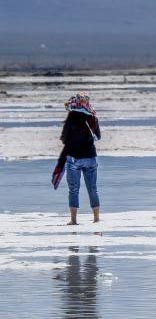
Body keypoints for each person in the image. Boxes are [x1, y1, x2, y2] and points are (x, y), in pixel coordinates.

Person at [57, 93, 102, 225]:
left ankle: (73, 220)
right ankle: (96, 218)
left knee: (73, 189)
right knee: (93, 188)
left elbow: (64, 138)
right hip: (91, 158)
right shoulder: (93, 118)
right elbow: (98, 136)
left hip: (74, 159)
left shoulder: (71, 117)